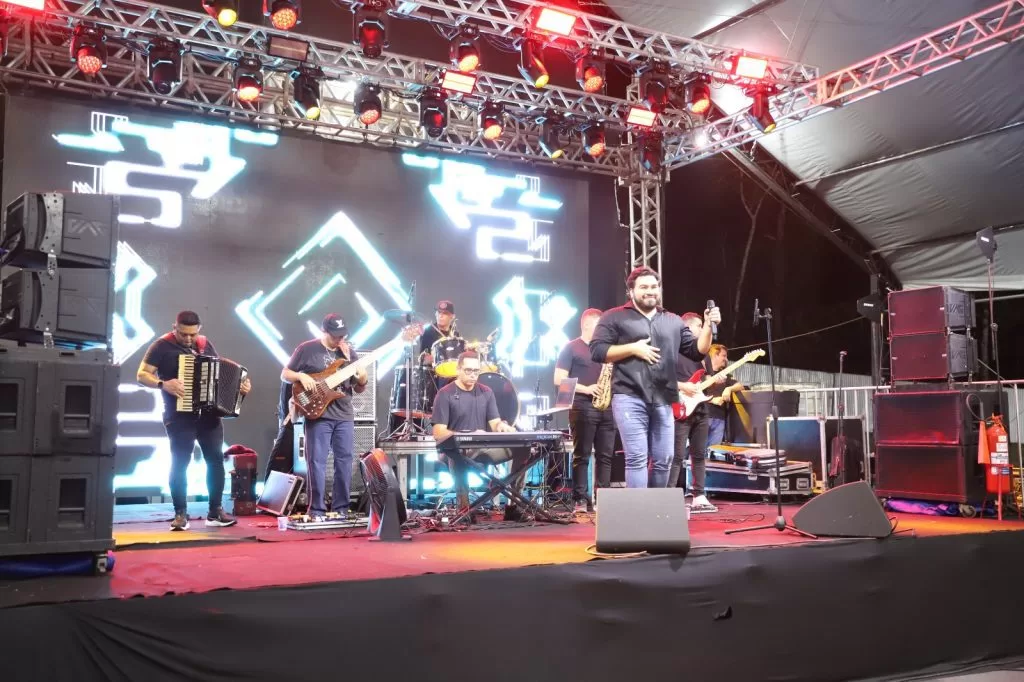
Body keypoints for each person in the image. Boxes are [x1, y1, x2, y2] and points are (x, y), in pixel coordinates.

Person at [590, 267, 720, 488]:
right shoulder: (614, 317)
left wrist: (708, 326)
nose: (650, 291)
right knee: (637, 458)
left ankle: (656, 506)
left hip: (663, 399)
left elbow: (697, 351)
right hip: (629, 396)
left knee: (664, 459)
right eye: (644, 287)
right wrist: (633, 349)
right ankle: (640, 508)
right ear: (631, 291)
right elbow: (597, 350)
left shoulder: (673, 321)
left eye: (654, 287)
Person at [137, 310, 251, 531]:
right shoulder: (161, 345)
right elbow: (142, 374)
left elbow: (218, 374)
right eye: (183, 334)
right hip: (179, 416)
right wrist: (164, 384)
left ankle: (215, 511)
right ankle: (180, 513)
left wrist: (240, 387)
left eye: (192, 334)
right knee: (180, 462)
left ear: (199, 329)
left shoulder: (204, 344)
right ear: (175, 328)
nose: (188, 339)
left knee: (215, 461)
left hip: (208, 416)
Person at [281, 314, 368, 519]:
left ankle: (341, 509)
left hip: (344, 413)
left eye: (342, 335)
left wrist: (362, 377)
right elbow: (285, 374)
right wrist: (301, 375)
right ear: (324, 331)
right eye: (335, 335)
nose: (339, 339)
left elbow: (359, 387)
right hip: (318, 413)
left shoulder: (348, 353)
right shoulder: (307, 349)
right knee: (317, 462)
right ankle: (317, 510)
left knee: (344, 461)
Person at [431, 351, 521, 520]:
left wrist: (502, 426)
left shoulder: (486, 392)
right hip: (456, 450)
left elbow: (495, 423)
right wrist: (466, 435)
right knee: (455, 452)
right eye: (468, 370)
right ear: (458, 370)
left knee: (523, 449)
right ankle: (464, 509)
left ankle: (514, 505)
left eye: (476, 371)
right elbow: (438, 432)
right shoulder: (445, 393)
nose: (473, 375)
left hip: (482, 448)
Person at [554, 308, 614, 512]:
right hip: (582, 406)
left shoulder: (606, 350)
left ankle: (604, 498)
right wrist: (587, 389)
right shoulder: (571, 347)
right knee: (582, 455)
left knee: (606, 455)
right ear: (587, 324)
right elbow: (559, 379)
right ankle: (580, 499)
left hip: (607, 406)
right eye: (600, 325)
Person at [668, 312, 718, 513]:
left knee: (699, 454)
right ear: (688, 328)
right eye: (699, 326)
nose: (702, 329)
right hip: (680, 407)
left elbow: (707, 381)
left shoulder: (704, 355)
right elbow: (661, 378)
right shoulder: (674, 349)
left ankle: (699, 495)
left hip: (701, 408)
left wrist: (713, 382)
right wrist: (682, 387)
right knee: (677, 455)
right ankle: (668, 495)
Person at [704, 344, 745, 447]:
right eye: (724, 356)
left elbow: (740, 386)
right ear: (715, 355)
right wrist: (712, 400)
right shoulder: (702, 373)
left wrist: (729, 389)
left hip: (719, 419)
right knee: (697, 451)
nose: (726, 359)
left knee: (713, 451)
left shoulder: (725, 375)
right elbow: (693, 393)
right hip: (703, 417)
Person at [419, 300, 458, 364]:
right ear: (435, 314)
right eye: (439, 312)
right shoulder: (428, 332)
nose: (441, 316)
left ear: (452, 316)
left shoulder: (454, 333)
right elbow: (422, 359)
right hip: (433, 369)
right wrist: (428, 358)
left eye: (445, 313)